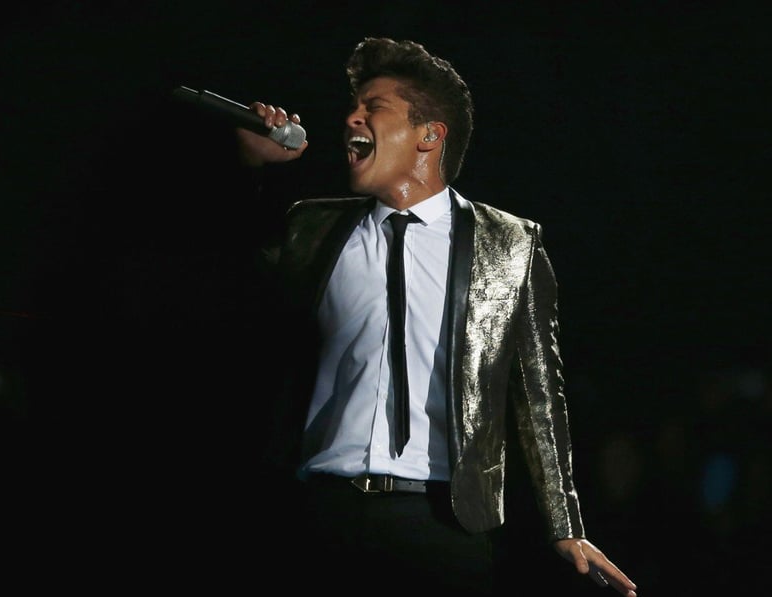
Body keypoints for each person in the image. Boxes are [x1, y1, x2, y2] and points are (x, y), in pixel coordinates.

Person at [234, 37, 637, 595]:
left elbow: (540, 394)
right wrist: (248, 171)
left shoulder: (509, 244)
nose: (351, 116)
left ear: (429, 135)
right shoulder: (312, 227)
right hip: (321, 511)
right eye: (354, 106)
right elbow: (226, 287)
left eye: (374, 107)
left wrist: (566, 525)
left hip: (442, 520)